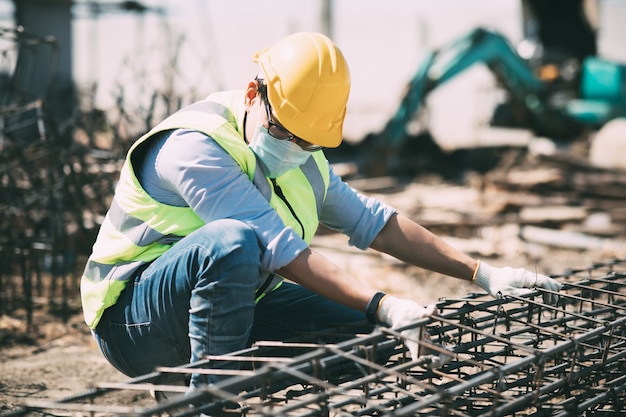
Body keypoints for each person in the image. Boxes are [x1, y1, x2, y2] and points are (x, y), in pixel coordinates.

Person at [80, 32, 562, 393]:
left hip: (231, 311)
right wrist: (385, 302)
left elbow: (374, 223)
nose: (295, 148)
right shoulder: (195, 146)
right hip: (134, 322)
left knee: (374, 339)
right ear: (253, 95)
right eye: (285, 131)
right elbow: (280, 248)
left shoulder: (305, 161)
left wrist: (482, 272)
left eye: (308, 140)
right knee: (232, 241)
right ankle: (209, 403)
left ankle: (233, 382)